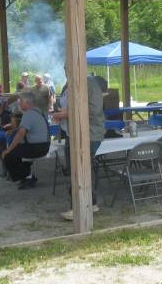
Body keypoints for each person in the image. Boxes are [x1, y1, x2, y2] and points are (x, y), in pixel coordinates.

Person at [53, 73, 105, 221]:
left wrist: (67, 114)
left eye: (66, 67)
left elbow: (91, 110)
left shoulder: (86, 82)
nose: (65, 71)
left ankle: (79, 207)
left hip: (86, 134)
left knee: (78, 169)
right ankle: (90, 203)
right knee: (79, 169)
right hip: (76, 133)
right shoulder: (74, 83)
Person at [1, 92, 50, 189]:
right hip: (44, 146)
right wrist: (13, 130)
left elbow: (21, 134)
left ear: (27, 102)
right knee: (16, 152)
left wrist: (8, 149)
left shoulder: (28, 114)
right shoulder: (38, 112)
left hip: (36, 148)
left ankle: (27, 177)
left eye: (20, 101)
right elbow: (23, 129)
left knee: (8, 155)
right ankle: (27, 175)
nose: (19, 103)